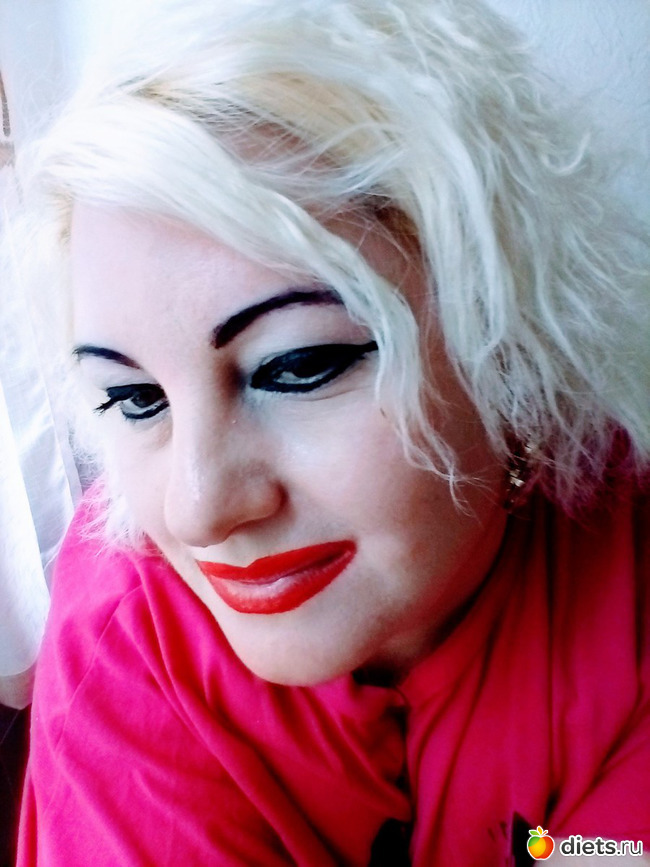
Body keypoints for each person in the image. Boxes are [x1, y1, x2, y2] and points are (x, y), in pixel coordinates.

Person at [6, 0, 649, 863]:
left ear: (510, 340)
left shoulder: (626, 576)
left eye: (297, 366)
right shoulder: (131, 621)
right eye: (136, 398)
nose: (199, 510)